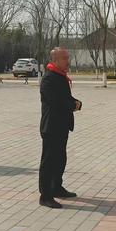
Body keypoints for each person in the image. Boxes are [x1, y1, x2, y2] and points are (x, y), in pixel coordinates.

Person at [39, 48, 82, 209]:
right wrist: (73, 105)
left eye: (68, 57)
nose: (68, 60)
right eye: (64, 58)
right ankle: (45, 195)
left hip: (62, 126)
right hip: (51, 126)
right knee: (48, 162)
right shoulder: (49, 78)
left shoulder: (60, 76)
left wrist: (77, 102)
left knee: (60, 159)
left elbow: (66, 98)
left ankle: (57, 187)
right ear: (55, 60)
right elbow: (56, 101)